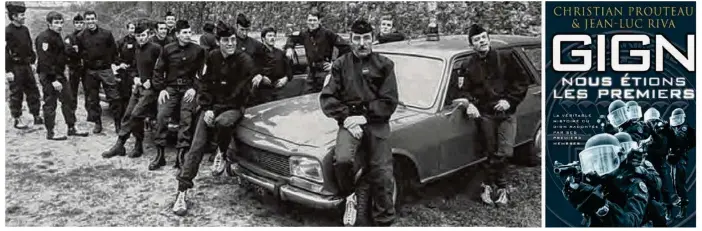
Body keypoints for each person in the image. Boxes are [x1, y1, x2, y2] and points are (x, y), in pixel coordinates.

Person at [172, 22, 256, 216]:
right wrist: (207, 108)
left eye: (233, 40)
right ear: (218, 42)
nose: (230, 44)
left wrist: (215, 110)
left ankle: (222, 151)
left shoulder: (245, 60)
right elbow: (205, 85)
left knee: (223, 123)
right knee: (196, 147)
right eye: (226, 40)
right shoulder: (212, 57)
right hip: (212, 107)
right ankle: (182, 192)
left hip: (233, 107)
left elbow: (241, 93)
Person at [320, 19, 398, 227]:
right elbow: (328, 98)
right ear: (350, 39)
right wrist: (346, 119)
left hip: (376, 123)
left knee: (382, 172)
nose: (362, 43)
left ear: (372, 39)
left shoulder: (385, 65)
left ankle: (384, 220)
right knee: (343, 160)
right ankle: (350, 197)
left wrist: (364, 117)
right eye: (357, 39)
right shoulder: (339, 65)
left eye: (366, 38)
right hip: (349, 122)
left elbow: (389, 101)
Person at [456, 24, 529, 205]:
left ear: (488, 39)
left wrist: (509, 101)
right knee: (490, 151)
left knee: (505, 151)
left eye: (483, 38)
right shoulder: (467, 65)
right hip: (485, 114)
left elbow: (522, 81)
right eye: (477, 40)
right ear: (472, 45)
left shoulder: (505, 57)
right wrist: (469, 104)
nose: (481, 41)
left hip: (506, 113)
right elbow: (462, 91)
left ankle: (486, 184)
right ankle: (501, 189)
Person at [101, 24, 161, 159]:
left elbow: (162, 68)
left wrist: (151, 81)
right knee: (128, 115)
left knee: (136, 114)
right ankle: (124, 145)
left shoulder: (156, 49)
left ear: (149, 34)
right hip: (138, 87)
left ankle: (126, 144)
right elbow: (132, 67)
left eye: (143, 35)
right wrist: (135, 78)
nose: (141, 39)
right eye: (138, 36)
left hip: (151, 90)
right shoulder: (136, 48)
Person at [562, 133, 649, 227]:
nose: (600, 165)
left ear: (618, 158)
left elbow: (632, 222)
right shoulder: (596, 182)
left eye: (604, 159)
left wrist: (602, 206)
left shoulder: (634, 184)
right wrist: (577, 198)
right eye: (595, 161)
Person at [152, 20, 206, 170]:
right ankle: (160, 154)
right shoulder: (167, 49)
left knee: (186, 118)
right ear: (177, 34)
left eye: (189, 32)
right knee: (162, 116)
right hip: (171, 88)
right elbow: (158, 70)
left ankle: (181, 155)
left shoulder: (198, 50)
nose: (188, 35)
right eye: (184, 33)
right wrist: (161, 89)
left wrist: (195, 88)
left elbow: (202, 73)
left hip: (188, 89)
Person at [35, 11, 89, 140]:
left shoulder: (58, 36)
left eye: (61, 22)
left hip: (59, 74)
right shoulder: (44, 38)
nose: (59, 25)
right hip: (49, 76)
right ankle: (51, 132)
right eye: (56, 23)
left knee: (68, 100)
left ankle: (71, 127)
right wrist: (53, 80)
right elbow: (44, 60)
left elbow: (63, 52)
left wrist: (74, 52)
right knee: (50, 102)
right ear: (49, 24)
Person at [76, 10, 122, 134]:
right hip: (90, 71)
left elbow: (114, 51)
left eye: (92, 19)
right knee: (92, 99)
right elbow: (79, 54)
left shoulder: (106, 34)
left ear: (96, 19)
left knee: (114, 97)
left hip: (105, 69)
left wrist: (114, 65)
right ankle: (97, 123)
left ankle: (118, 123)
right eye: (88, 19)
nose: (90, 21)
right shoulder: (80, 36)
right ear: (85, 21)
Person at [284, 10, 351, 94]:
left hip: (324, 72)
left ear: (319, 21)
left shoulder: (327, 33)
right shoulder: (304, 34)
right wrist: (289, 48)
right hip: (311, 72)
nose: (312, 23)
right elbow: (291, 38)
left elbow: (346, 48)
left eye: (314, 20)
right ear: (307, 21)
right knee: (306, 96)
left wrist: (334, 64)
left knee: (324, 95)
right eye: (310, 20)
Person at [614, 132, 667, 227]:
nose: (627, 151)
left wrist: (641, 171)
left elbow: (658, 184)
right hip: (620, 205)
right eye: (623, 148)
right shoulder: (613, 167)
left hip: (644, 203)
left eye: (629, 147)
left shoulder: (644, 164)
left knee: (656, 210)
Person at [6, 1, 44, 129]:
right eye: (21, 15)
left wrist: (32, 62)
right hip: (15, 67)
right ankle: (17, 118)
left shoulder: (25, 30)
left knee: (33, 90)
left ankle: (36, 115)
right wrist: (8, 70)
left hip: (27, 66)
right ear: (14, 16)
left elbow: (29, 47)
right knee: (16, 94)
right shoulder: (7, 31)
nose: (24, 17)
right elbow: (5, 52)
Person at [642, 107, 675, 221]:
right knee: (650, 188)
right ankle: (652, 212)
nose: (653, 124)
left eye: (654, 121)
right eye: (650, 122)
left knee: (664, 188)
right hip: (648, 163)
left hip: (659, 163)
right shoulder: (645, 130)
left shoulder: (664, 131)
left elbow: (662, 148)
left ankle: (668, 209)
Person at [249, 27, 293, 105]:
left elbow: (289, 70)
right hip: (264, 91)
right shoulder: (257, 54)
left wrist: (285, 78)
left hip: (280, 89)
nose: (272, 38)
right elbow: (253, 70)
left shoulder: (280, 53)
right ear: (263, 39)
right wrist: (262, 77)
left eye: (273, 36)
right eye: (269, 36)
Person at [667, 108, 695, 219]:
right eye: (675, 118)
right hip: (674, 158)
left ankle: (683, 208)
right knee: (674, 180)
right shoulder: (673, 128)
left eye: (679, 118)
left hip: (680, 158)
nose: (677, 120)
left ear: (682, 118)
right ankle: (680, 198)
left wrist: (684, 148)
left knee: (679, 182)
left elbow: (692, 141)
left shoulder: (685, 128)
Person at [113, 22, 139, 130]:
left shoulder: (141, 41)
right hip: (124, 73)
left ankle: (132, 124)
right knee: (122, 98)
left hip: (136, 72)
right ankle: (119, 124)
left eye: (135, 28)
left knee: (133, 99)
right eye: (131, 28)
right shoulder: (121, 42)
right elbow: (113, 55)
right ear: (127, 29)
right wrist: (120, 63)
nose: (133, 30)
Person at [64, 14, 86, 115]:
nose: (79, 25)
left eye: (81, 23)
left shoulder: (87, 36)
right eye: (77, 23)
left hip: (86, 67)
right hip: (74, 66)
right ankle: (73, 111)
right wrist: (75, 50)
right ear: (74, 24)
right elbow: (67, 50)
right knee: (73, 90)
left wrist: (78, 50)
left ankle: (91, 113)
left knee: (89, 90)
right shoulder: (70, 37)